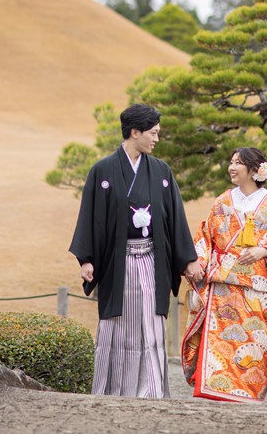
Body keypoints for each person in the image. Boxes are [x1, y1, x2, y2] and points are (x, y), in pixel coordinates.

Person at [69, 103, 200, 398]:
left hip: (153, 261)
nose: (156, 139)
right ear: (134, 132)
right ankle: (115, 389)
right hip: (118, 262)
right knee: (119, 325)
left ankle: (151, 390)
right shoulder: (102, 170)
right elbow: (89, 217)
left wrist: (187, 259)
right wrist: (87, 259)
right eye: (152, 133)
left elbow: (175, 218)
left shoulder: (161, 171)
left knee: (151, 324)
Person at [181, 147, 267, 403]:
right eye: (231, 161)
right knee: (220, 342)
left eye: (238, 163)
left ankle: (249, 395)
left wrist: (263, 250)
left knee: (255, 343)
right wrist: (197, 262)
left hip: (258, 288)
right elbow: (205, 236)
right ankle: (216, 393)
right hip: (223, 285)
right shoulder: (223, 201)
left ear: (254, 170)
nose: (232, 167)